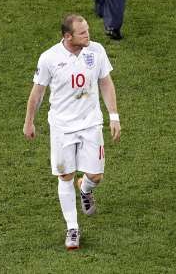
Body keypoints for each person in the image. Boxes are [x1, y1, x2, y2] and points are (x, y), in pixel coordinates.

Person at [23, 14, 121, 250]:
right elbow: (37, 93)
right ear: (68, 37)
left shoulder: (96, 51)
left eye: (87, 30)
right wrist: (29, 122)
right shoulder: (49, 58)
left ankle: (85, 189)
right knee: (65, 176)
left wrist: (114, 116)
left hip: (90, 124)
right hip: (62, 128)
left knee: (96, 176)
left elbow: (105, 83)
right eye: (83, 32)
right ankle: (72, 228)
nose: (88, 35)